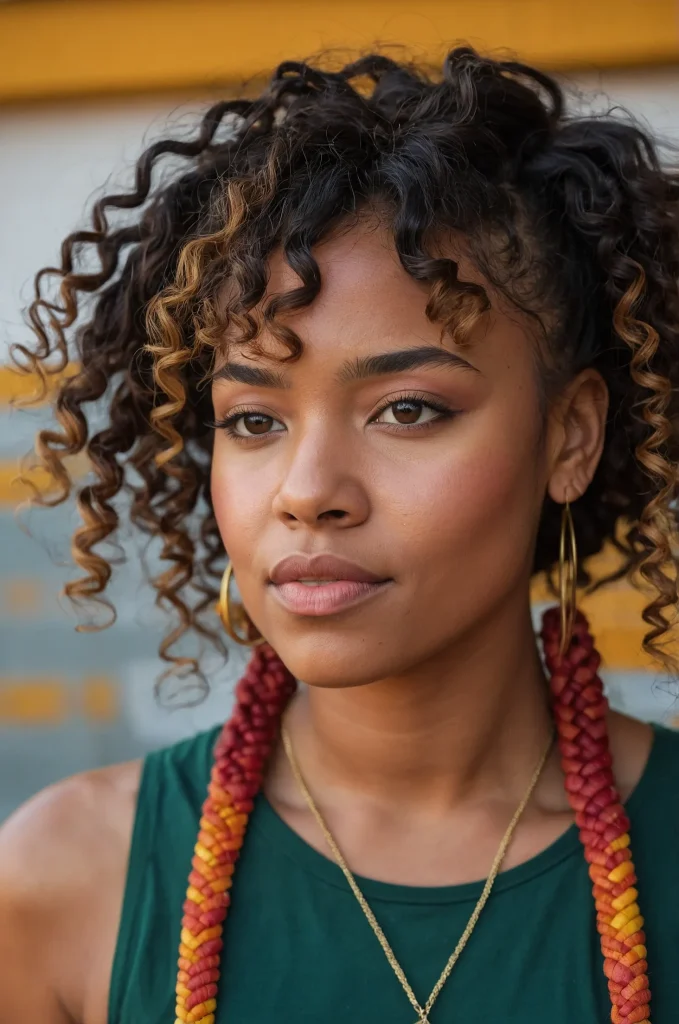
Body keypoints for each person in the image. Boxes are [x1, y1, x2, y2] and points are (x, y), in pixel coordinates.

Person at [0, 45, 678, 1024]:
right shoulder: (65, 883)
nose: (307, 492)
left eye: (406, 409)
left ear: (568, 434)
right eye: (254, 421)